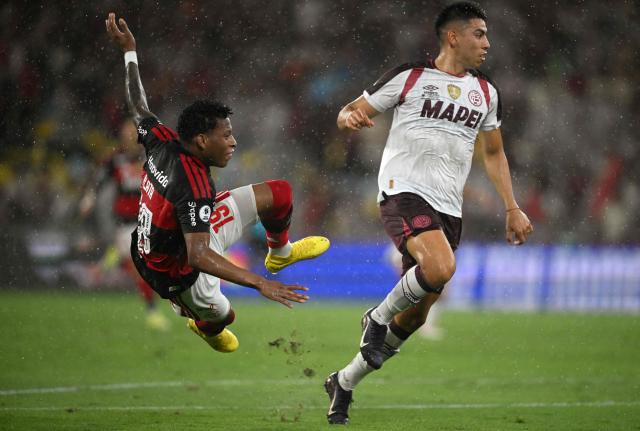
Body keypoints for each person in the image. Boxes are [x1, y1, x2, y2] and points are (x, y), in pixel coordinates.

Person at [324, 2, 533, 424]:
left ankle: (344, 382)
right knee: (440, 268)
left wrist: (512, 206)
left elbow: (493, 153)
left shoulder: (487, 92)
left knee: (416, 314)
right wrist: (349, 119)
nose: (487, 43)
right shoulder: (410, 76)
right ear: (453, 37)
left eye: (488, 35)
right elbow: (352, 111)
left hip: (448, 206)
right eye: (479, 34)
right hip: (403, 190)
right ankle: (375, 316)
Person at [105, 13, 329, 353]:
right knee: (225, 319)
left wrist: (130, 52)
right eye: (225, 135)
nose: (234, 142)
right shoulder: (193, 184)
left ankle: (280, 254)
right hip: (176, 272)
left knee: (279, 193)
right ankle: (199, 320)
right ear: (200, 140)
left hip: (185, 234)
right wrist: (259, 283)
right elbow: (197, 255)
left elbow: (138, 106)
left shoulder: (162, 139)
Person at [80, 119, 170, 331]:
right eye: (126, 133)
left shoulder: (152, 156)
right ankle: (152, 312)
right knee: (141, 268)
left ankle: (109, 260)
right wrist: (89, 199)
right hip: (126, 222)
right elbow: (98, 181)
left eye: (133, 133)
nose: (130, 137)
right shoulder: (115, 159)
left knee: (154, 265)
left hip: (151, 219)